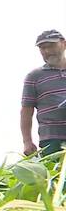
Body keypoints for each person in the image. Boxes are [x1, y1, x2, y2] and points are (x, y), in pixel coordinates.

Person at [21, 30, 66, 158]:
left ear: (64, 44)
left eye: (51, 46)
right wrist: (27, 142)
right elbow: (26, 111)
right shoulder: (34, 76)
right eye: (42, 47)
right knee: (56, 175)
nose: (46, 51)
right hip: (52, 140)